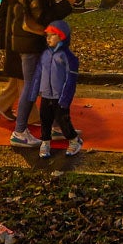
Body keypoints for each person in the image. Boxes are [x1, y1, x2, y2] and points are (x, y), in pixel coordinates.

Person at [9, 0, 72, 147]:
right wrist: (66, 4)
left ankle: (57, 125)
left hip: (32, 42)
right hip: (31, 42)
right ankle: (19, 131)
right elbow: (42, 17)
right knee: (32, 86)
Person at [32, 19, 83, 158]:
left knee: (63, 120)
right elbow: (38, 73)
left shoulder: (67, 57)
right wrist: (34, 92)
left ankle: (73, 140)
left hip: (60, 96)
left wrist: (65, 98)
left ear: (61, 37)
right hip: (46, 94)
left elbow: (71, 79)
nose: (48, 39)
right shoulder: (45, 54)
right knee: (45, 119)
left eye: (52, 35)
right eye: (47, 35)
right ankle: (45, 142)